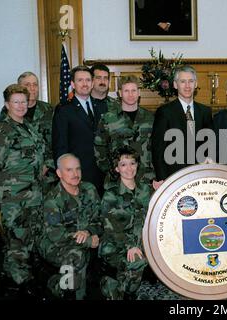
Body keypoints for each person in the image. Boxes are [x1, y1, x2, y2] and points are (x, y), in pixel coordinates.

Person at [0, 84, 45, 298]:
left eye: (23, 101)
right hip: (13, 197)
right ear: (7, 105)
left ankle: (14, 277)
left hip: (33, 193)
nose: (20, 106)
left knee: (29, 237)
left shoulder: (28, 126)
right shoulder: (3, 131)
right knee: (16, 240)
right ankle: (19, 282)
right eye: (16, 102)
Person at [38, 154, 102, 300]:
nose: (75, 174)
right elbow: (57, 236)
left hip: (84, 237)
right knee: (76, 256)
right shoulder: (53, 200)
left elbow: (100, 219)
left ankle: (82, 280)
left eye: (78, 169)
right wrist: (87, 241)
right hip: (53, 243)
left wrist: (88, 231)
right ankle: (57, 285)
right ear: (59, 173)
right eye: (69, 170)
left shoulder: (89, 189)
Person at [98, 146, 151, 300]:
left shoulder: (146, 191)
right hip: (116, 245)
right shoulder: (111, 195)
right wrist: (130, 246)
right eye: (123, 164)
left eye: (132, 163)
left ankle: (124, 283)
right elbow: (110, 229)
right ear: (117, 168)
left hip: (140, 242)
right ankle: (114, 288)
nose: (129, 168)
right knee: (138, 261)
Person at [151, 65, 213, 189]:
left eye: (191, 81)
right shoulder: (165, 112)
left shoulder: (205, 111)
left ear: (196, 84)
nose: (187, 86)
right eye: (183, 81)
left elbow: (209, 144)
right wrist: (162, 178)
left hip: (200, 176)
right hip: (173, 177)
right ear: (175, 84)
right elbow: (158, 148)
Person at [52, 65, 109, 196]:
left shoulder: (102, 107)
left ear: (92, 82)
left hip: (103, 175)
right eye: (80, 80)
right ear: (72, 84)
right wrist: (66, 175)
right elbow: (60, 146)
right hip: (77, 175)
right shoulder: (64, 110)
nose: (85, 84)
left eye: (88, 80)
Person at [0, 71, 56, 193]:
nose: (32, 88)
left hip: (46, 179)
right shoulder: (7, 118)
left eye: (35, 84)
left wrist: (47, 165)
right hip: (16, 184)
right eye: (27, 85)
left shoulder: (48, 109)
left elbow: (55, 140)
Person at [94, 75, 154, 189]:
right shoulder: (108, 119)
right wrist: (112, 170)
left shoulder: (150, 117)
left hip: (145, 179)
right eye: (126, 91)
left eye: (133, 90)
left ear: (139, 92)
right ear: (120, 93)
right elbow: (99, 148)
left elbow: (157, 147)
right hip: (117, 180)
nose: (130, 94)